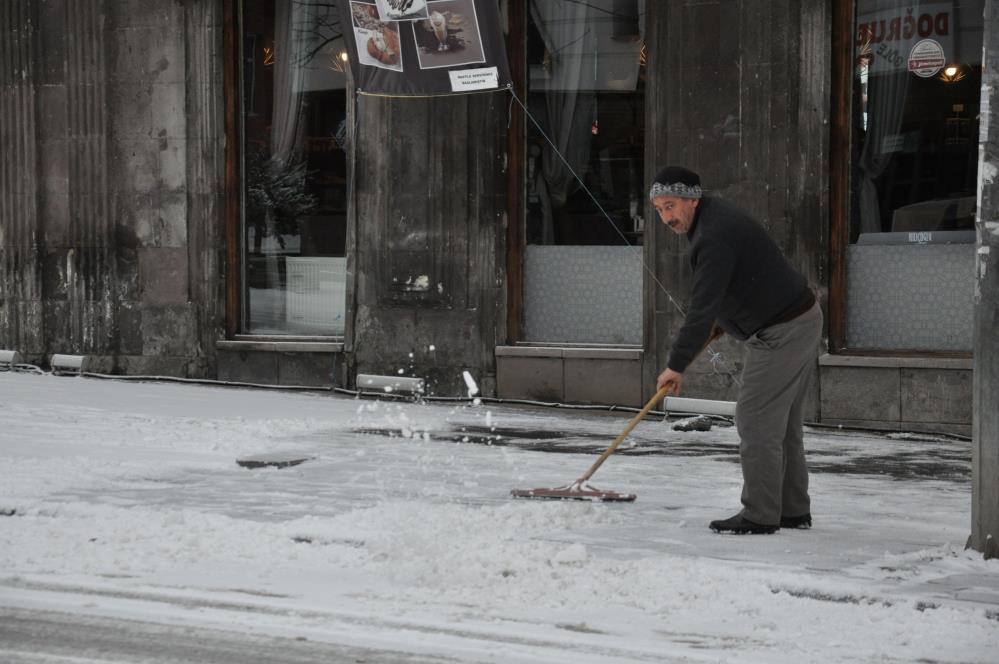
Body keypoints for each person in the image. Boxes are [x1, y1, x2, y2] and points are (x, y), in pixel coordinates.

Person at [650, 166, 822, 535]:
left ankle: (760, 514)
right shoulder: (713, 221)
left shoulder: (713, 235)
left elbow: (702, 306)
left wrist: (676, 365)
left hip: (782, 331)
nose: (666, 218)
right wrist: (722, 324)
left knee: (755, 418)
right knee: (781, 423)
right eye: (660, 209)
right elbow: (735, 285)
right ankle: (791, 509)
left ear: (692, 199)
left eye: (671, 206)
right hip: (799, 319)